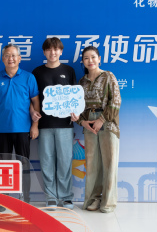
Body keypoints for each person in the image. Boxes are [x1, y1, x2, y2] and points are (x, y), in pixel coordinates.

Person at [71, 46, 121, 213]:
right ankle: (94, 199)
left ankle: (108, 202)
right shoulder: (82, 82)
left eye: (93, 57)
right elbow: (78, 107)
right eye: (86, 58)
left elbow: (116, 101)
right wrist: (82, 122)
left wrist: (101, 120)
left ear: (99, 59)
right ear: (83, 62)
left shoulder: (108, 76)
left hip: (108, 122)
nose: (90, 61)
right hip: (89, 124)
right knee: (92, 164)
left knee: (109, 162)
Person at [0, 44, 39, 203]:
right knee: (3, 166)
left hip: (23, 129)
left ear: (19, 58)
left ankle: (25, 199)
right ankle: (4, 199)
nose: (11, 58)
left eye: (14, 55)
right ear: (3, 59)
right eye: (7, 55)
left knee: (24, 165)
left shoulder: (29, 77)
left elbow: (35, 101)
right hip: (2, 130)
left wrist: (35, 126)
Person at [32, 37, 77, 209]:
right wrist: (33, 113)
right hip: (44, 125)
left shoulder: (69, 70)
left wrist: (76, 113)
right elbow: (32, 98)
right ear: (44, 52)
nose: (53, 52)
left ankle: (65, 197)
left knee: (65, 161)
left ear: (61, 51)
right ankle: (50, 196)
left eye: (56, 49)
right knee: (46, 161)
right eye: (49, 49)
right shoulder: (37, 72)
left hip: (65, 125)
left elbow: (75, 97)